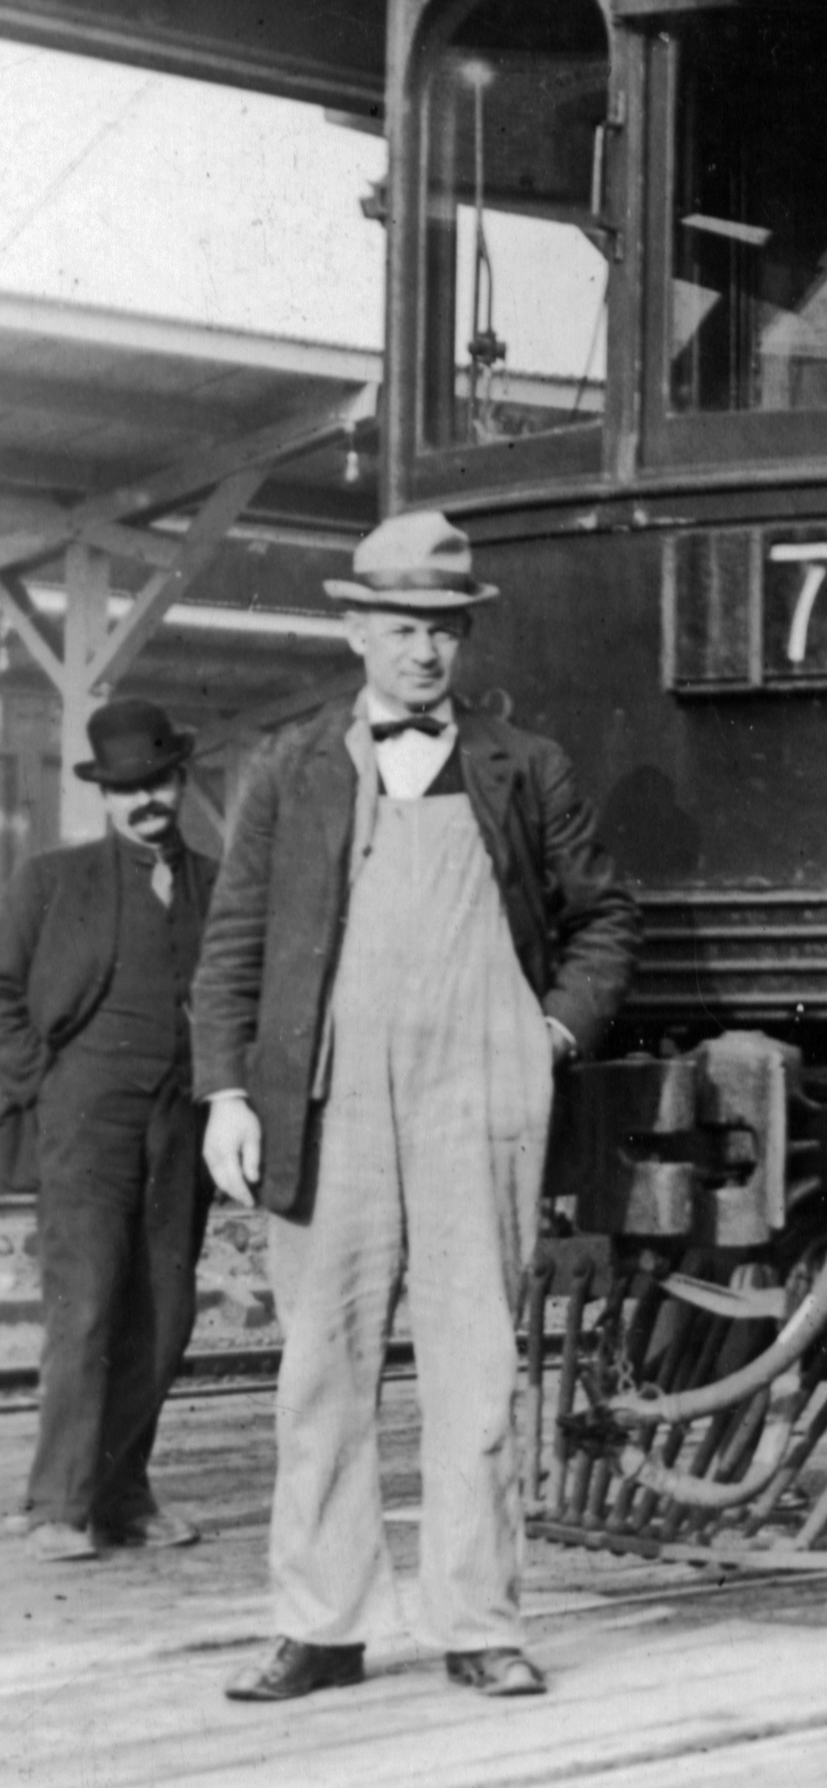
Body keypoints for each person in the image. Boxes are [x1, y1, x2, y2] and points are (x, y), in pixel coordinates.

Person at [192, 511, 637, 1704]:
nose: (425, 652)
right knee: (319, 1367)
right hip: (326, 1100)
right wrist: (227, 1091)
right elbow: (233, 942)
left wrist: (547, 1036)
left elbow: (602, 920)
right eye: (402, 628)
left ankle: (477, 1621)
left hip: (475, 1098)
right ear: (355, 631)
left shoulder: (523, 766)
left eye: (444, 630)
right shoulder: (286, 768)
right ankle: (321, 1624)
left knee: (477, 1364)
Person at [0, 700, 218, 1561]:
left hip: (183, 1118)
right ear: (104, 797)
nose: (145, 801)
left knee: (163, 1317)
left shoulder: (219, 881)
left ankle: (124, 1497)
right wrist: (45, 1090)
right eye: (127, 789)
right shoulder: (50, 881)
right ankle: (58, 1505)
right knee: (85, 1307)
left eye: (157, 781)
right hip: (84, 1118)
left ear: (180, 779)